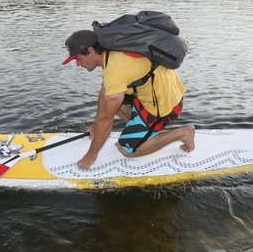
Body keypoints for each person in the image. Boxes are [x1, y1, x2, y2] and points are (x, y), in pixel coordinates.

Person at [62, 30, 195, 169]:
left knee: (125, 149)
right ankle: (141, 133)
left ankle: (183, 133)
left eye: (78, 59)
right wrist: (96, 126)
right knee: (109, 98)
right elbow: (104, 94)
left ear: (90, 51)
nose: (78, 65)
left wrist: (91, 155)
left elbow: (106, 119)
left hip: (165, 107)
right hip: (153, 95)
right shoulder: (112, 53)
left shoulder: (116, 69)